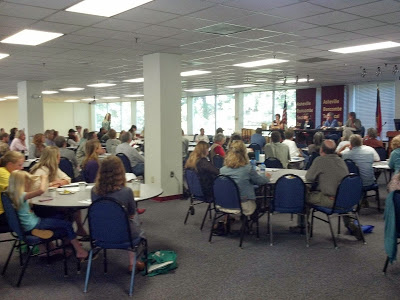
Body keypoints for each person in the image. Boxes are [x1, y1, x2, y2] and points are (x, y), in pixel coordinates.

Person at [8, 170, 88, 260]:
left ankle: (53, 247)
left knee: (58, 217)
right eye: (27, 183)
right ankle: (79, 250)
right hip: (35, 224)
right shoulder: (22, 195)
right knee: (67, 224)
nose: (28, 185)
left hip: (28, 226)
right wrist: (44, 178)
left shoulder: (12, 195)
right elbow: (41, 190)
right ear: (22, 184)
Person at [91, 156, 144, 272]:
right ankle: (132, 263)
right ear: (120, 172)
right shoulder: (126, 192)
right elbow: (131, 214)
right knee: (133, 218)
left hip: (100, 235)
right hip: (125, 234)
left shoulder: (94, 191)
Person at [304, 139, 362, 238]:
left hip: (330, 200)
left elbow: (309, 178)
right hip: (346, 200)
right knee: (339, 197)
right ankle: (350, 223)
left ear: (321, 150)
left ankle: (303, 226)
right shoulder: (341, 161)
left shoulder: (319, 160)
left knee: (304, 196)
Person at [220, 140, 270, 216]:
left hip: (225, 203)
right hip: (244, 205)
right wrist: (267, 176)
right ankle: (252, 221)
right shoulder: (247, 169)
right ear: (244, 153)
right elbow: (260, 181)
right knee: (260, 195)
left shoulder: (222, 170)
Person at [0, 151, 24, 228]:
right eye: (19, 165)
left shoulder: (7, 172)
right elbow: (17, 191)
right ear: (10, 164)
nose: (22, 168)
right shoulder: (2, 173)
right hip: (3, 213)